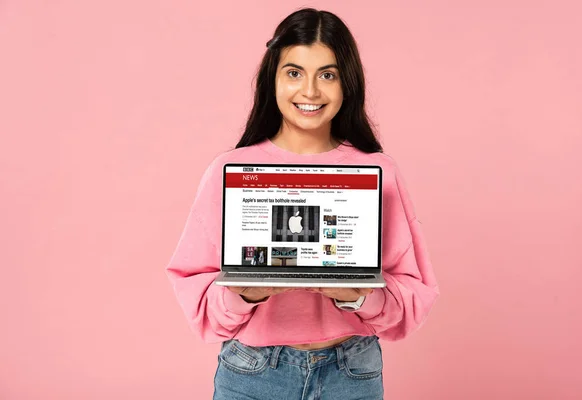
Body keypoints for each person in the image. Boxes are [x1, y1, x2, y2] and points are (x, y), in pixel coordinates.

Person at [165, 7, 439, 400]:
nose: (310, 92)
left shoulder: (379, 171)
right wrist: (245, 294)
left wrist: (357, 295)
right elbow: (197, 294)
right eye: (294, 73)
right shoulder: (230, 170)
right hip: (253, 372)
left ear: (347, 83)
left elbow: (412, 294)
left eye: (327, 74)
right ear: (271, 79)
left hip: (352, 371)